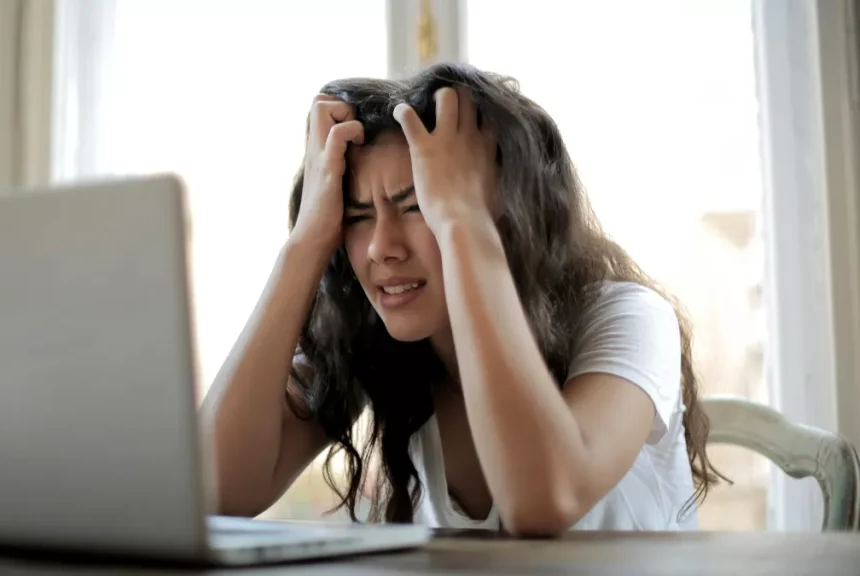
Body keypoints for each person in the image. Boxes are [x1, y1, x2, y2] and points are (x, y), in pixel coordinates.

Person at [200, 62, 723, 535]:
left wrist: (462, 223)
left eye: (419, 206)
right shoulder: (377, 343)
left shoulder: (629, 317)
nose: (381, 247)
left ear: (506, 212)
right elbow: (214, 490)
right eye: (357, 217)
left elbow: (544, 500)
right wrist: (305, 242)